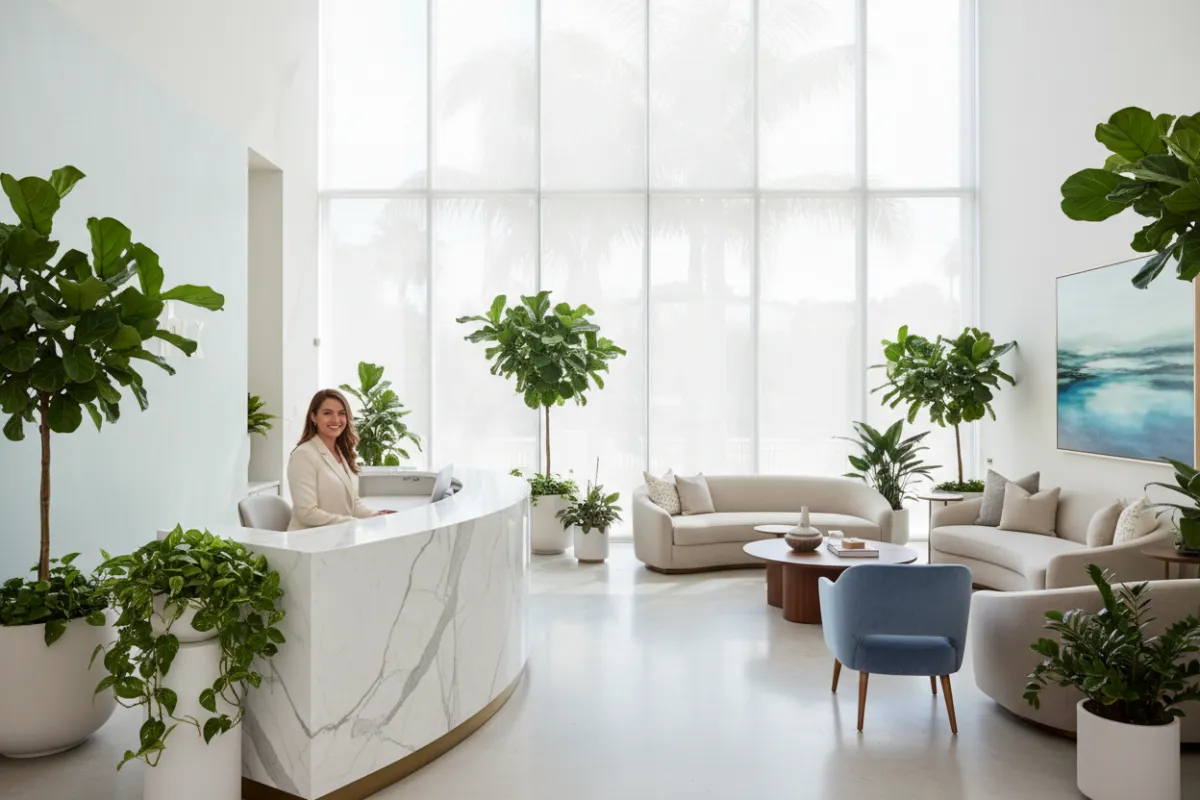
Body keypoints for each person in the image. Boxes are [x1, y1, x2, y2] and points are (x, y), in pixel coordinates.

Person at [287, 388, 395, 530]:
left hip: (340, 535)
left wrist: (375, 515)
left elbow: (353, 504)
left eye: (341, 413)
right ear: (313, 417)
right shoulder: (303, 455)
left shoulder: (342, 451)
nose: (336, 420)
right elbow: (307, 513)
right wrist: (355, 523)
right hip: (310, 538)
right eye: (327, 413)